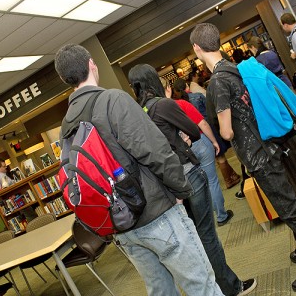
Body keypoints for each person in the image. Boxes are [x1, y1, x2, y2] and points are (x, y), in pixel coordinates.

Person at [55, 44, 222, 296]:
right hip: (157, 214)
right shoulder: (113, 99)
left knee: (160, 291)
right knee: (201, 285)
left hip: (121, 224)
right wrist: (180, 188)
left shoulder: (66, 124)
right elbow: (154, 151)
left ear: (64, 79)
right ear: (92, 63)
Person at [190, 23, 296, 292]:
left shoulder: (218, 82)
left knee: (289, 207)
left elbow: (227, 131)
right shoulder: (235, 67)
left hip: (257, 155)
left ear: (197, 48)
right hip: (268, 143)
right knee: (289, 202)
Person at [129, 63, 256, 296]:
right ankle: (229, 286)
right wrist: (181, 138)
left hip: (167, 184)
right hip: (188, 175)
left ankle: (210, 287)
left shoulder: (137, 113)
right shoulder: (163, 105)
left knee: (192, 237)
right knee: (206, 234)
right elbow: (195, 131)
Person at [163, 78, 233, 226]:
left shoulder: (155, 114)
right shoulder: (181, 104)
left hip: (181, 152)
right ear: (168, 89)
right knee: (212, 181)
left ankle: (205, 220)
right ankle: (221, 215)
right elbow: (203, 123)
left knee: (196, 186)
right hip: (199, 143)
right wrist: (214, 141)